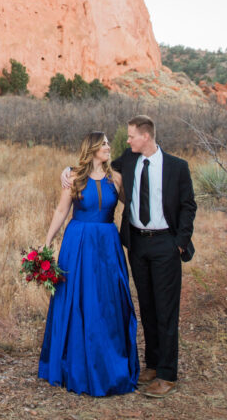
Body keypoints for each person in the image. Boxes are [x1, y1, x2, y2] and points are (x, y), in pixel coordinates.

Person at [62, 115, 197, 399]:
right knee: (146, 307)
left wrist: (180, 243)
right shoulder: (130, 160)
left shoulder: (177, 167)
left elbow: (188, 206)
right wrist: (66, 170)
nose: (127, 140)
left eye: (131, 136)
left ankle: (167, 375)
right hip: (137, 243)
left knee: (166, 310)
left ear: (145, 136)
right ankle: (151, 364)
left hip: (166, 244)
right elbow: (93, 166)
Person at [39, 131, 139, 396]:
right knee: (77, 300)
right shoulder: (74, 177)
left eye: (108, 143)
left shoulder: (115, 178)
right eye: (104, 143)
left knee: (107, 301)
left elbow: (133, 206)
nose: (108, 147)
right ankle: (74, 363)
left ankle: (108, 363)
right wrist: (48, 241)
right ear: (92, 148)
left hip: (107, 246)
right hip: (78, 242)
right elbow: (62, 210)